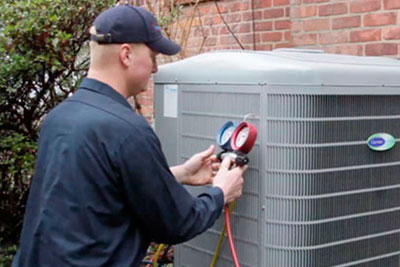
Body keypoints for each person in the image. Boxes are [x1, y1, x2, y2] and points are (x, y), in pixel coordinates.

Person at [12, 4, 247, 267]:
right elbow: (176, 223)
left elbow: (99, 188)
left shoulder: (61, 116)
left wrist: (180, 174)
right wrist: (220, 192)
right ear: (126, 54)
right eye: (153, 56)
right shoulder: (126, 129)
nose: (156, 68)